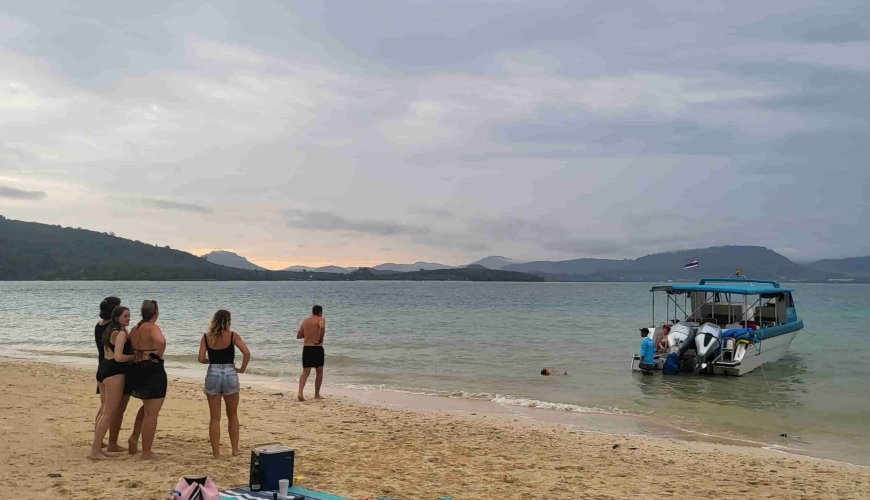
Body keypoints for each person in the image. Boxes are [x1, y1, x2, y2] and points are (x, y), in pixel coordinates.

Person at [198, 309, 251, 458]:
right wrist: (241, 369)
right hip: (230, 372)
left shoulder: (206, 337)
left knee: (215, 417)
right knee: (232, 414)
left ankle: (216, 452)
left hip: (213, 373)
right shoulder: (233, 335)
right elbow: (246, 353)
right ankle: (235, 449)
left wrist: (212, 361)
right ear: (227, 321)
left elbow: (201, 358)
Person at [89, 306, 134, 459]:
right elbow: (119, 357)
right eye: (125, 316)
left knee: (104, 411)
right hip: (114, 373)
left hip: (103, 370)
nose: (128, 318)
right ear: (117, 318)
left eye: (129, 316)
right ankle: (95, 451)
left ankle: (98, 447)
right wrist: (133, 357)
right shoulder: (120, 334)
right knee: (108, 413)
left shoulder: (110, 330)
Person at [126, 300, 167, 460]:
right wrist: (158, 355)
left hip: (137, 367)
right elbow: (161, 341)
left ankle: (135, 437)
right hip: (151, 368)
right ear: (155, 313)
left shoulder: (135, 329)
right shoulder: (152, 327)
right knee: (152, 413)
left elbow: (130, 344)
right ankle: (146, 451)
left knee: (146, 406)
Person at [94, 296, 121, 450]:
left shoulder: (99, 325)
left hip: (101, 366)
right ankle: (106, 442)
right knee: (109, 409)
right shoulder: (113, 328)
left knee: (104, 407)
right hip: (112, 367)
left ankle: (98, 438)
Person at [296, 305, 325, 401]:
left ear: (312, 312)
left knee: (305, 372)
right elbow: (322, 326)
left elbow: (299, 335)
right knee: (319, 371)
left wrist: (308, 334)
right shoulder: (321, 319)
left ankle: (300, 392)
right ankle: (316, 394)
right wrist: (319, 339)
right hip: (317, 348)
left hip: (307, 348)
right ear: (320, 312)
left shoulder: (305, 321)